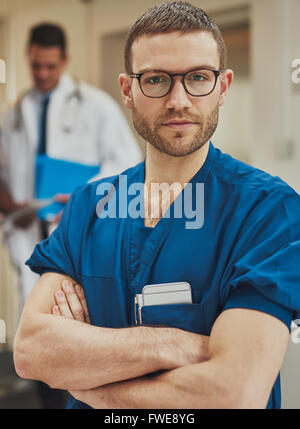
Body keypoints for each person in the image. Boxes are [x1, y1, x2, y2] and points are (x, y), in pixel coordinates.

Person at [13, 2, 300, 409]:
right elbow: (31, 352)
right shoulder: (88, 208)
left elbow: (233, 393)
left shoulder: (269, 213)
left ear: (223, 87)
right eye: (157, 80)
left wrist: (88, 384)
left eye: (198, 77)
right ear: (128, 90)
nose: (178, 100)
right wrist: (172, 343)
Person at [0, 23, 141, 305]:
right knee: (31, 314)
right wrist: (13, 206)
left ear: (64, 60)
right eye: (36, 66)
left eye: (50, 66)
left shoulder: (97, 105)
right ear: (28, 56)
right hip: (28, 232)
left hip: (79, 229)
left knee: (75, 314)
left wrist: (82, 198)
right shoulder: (13, 115)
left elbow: (128, 165)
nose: (42, 74)